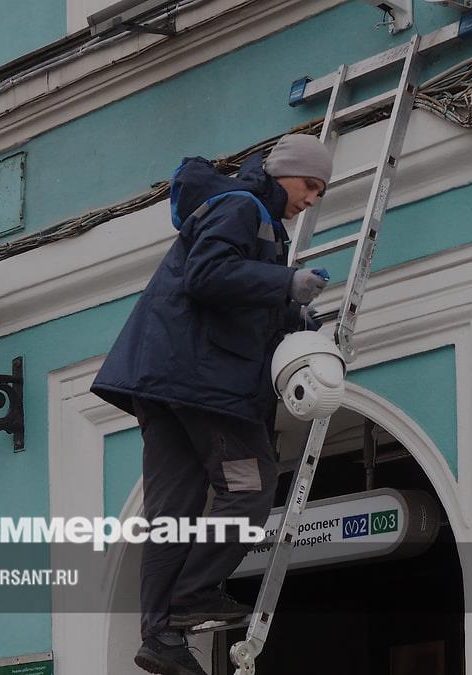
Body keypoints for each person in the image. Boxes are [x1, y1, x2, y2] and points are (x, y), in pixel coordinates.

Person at [91, 134, 333, 675]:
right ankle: (193, 595)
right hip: (204, 385)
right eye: (309, 184)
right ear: (282, 173)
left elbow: (229, 296)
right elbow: (208, 275)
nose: (312, 198)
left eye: (320, 191)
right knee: (250, 486)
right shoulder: (242, 208)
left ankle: (159, 636)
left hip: (168, 382)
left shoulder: (243, 214)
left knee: (171, 514)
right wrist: (286, 281)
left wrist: (292, 315)